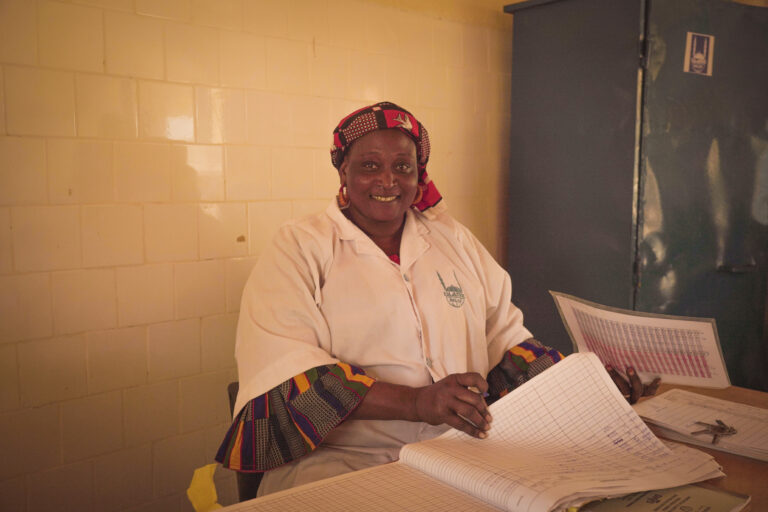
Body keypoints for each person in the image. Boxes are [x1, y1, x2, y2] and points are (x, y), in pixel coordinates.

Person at [215, 102, 656, 497]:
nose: (388, 180)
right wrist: (417, 402)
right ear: (343, 171)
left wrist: (590, 393)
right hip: (342, 466)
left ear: (419, 174)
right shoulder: (301, 247)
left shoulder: (453, 240)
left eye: (403, 167)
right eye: (370, 165)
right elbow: (290, 378)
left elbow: (508, 346)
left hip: (462, 455)